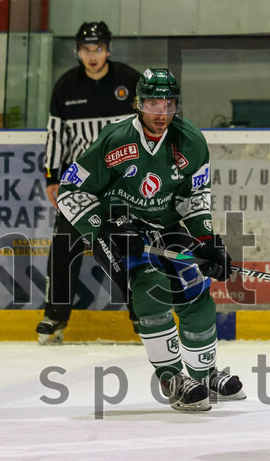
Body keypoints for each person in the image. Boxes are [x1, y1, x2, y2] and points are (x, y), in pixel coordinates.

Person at [55, 68, 244, 412]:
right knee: (151, 286)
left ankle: (204, 373)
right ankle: (172, 378)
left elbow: (195, 196)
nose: (161, 113)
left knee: (195, 288)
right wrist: (102, 229)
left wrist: (205, 240)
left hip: (164, 226)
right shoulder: (113, 140)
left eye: (169, 104)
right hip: (116, 231)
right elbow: (69, 192)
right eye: (153, 104)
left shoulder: (191, 142)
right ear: (139, 105)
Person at [38, 22, 142, 344]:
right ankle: (55, 314)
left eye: (98, 48)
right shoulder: (66, 86)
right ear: (78, 52)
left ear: (108, 49)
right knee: (64, 246)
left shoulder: (130, 81)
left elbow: (149, 127)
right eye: (86, 49)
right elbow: (55, 134)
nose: (92, 55)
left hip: (122, 182)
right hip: (78, 183)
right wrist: (52, 177)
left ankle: (143, 312)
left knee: (129, 245)